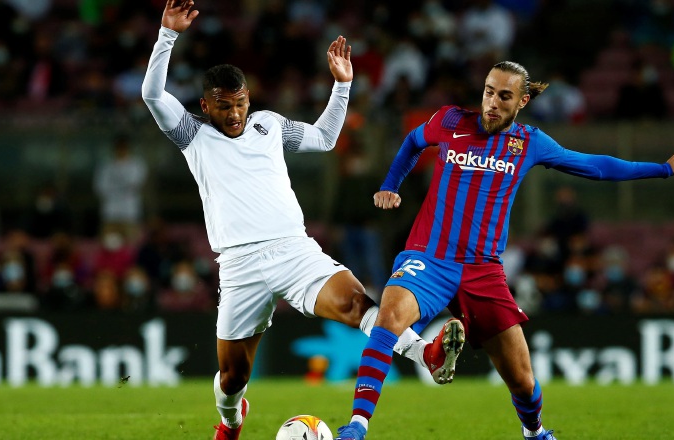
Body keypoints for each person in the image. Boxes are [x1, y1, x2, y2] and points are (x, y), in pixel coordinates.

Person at [142, 2, 459, 440]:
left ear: (249, 99)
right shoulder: (193, 135)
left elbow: (326, 138)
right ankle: (231, 420)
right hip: (239, 266)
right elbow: (152, 96)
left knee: (355, 304)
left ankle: (427, 354)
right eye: (223, 106)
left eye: (239, 103)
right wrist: (168, 35)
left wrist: (342, 86)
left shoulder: (268, 126)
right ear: (205, 106)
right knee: (232, 378)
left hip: (293, 249)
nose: (233, 114)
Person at [334, 60, 674, 440]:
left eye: (504, 96)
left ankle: (534, 432)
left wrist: (662, 169)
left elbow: (594, 166)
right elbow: (412, 141)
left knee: (522, 380)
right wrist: (392, 183)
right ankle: (357, 427)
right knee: (388, 319)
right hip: (429, 257)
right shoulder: (451, 121)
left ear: (521, 101)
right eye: (489, 91)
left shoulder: (530, 143)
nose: (492, 102)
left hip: (483, 271)